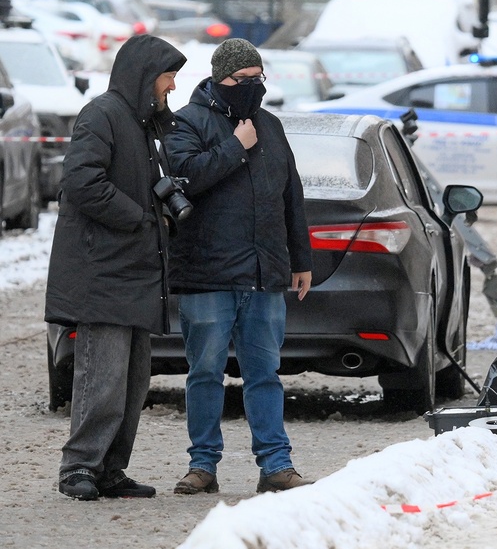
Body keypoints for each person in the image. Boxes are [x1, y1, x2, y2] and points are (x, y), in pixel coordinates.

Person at [164, 38, 314, 495]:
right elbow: (186, 178)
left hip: (264, 273)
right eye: (242, 78)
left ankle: (276, 465)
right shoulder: (186, 122)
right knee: (205, 373)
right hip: (206, 273)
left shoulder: (270, 125)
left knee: (264, 374)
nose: (252, 85)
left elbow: (291, 196)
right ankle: (202, 465)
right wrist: (235, 146)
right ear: (219, 79)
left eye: (258, 77)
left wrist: (300, 258)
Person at [45, 34, 187, 501]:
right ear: (145, 76)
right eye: (168, 77)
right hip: (103, 273)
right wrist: (139, 217)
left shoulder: (144, 124)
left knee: (132, 383)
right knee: (102, 378)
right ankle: (79, 467)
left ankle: (109, 469)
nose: (172, 86)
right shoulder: (102, 114)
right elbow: (82, 181)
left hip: (136, 271)